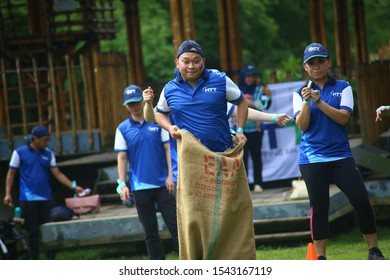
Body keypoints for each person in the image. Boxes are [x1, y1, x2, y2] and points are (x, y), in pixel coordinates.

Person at [293, 42, 386, 260]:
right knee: (319, 206)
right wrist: (307, 102)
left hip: (341, 157)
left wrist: (320, 102)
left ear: (328, 63)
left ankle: (373, 250)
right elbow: (303, 125)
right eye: (311, 63)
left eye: (320, 61)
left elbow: (343, 117)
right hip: (312, 159)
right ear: (305, 67)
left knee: (361, 199)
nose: (316, 66)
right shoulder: (299, 93)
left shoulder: (342, 86)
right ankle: (321, 258)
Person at [143, 86, 292, 185]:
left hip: (216, 167)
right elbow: (151, 118)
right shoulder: (174, 103)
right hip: (186, 171)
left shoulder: (211, 100)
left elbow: (240, 109)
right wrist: (148, 104)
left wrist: (273, 117)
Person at [114, 85, 178, 260]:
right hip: (139, 186)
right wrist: (122, 184)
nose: (134, 106)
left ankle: (188, 262)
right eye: (130, 104)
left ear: (142, 101)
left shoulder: (157, 123)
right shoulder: (122, 129)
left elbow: (168, 150)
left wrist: (171, 176)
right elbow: (122, 158)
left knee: (175, 225)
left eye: (136, 102)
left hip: (164, 184)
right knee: (150, 231)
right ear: (125, 105)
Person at [3, 125, 85, 259]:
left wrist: (73, 186)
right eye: (44, 140)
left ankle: (49, 258)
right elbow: (11, 173)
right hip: (28, 199)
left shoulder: (48, 153)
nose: (46, 142)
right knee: (32, 232)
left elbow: (57, 173)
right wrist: (7, 193)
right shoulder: (19, 153)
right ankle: (34, 259)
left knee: (48, 230)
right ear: (35, 139)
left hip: (45, 198)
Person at [237, 64, 272, 192]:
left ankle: (258, 183)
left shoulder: (258, 89)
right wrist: (249, 103)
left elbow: (264, 106)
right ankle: (245, 186)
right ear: (243, 76)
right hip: (240, 131)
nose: (250, 78)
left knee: (257, 157)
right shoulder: (236, 89)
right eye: (247, 76)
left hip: (256, 130)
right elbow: (231, 106)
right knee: (242, 159)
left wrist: (268, 95)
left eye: (252, 76)